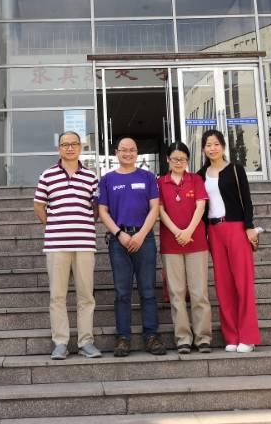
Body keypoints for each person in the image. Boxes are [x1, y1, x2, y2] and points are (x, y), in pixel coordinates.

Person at [33, 131, 102, 360]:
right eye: (65, 144)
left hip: (84, 244)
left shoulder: (91, 177)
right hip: (56, 245)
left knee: (86, 297)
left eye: (74, 144)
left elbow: (96, 208)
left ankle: (86, 342)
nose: (70, 148)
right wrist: (54, 225)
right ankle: (60, 343)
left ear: (80, 147)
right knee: (57, 297)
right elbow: (39, 206)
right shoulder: (47, 175)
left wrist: (82, 224)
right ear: (59, 148)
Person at [97, 136, 166, 357]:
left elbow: (154, 208)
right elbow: (102, 211)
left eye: (132, 150)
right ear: (116, 152)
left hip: (145, 239)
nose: (128, 153)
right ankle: (123, 338)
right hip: (119, 241)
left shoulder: (148, 177)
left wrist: (141, 235)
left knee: (148, 291)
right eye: (124, 150)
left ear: (137, 153)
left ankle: (151, 337)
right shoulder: (107, 179)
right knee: (122, 292)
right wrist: (120, 234)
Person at [197, 128, 261, 353]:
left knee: (242, 283)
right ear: (203, 149)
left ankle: (248, 337)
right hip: (214, 231)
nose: (212, 148)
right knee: (223, 285)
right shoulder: (200, 174)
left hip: (236, 228)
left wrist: (249, 227)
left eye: (216, 144)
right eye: (208, 145)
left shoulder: (235, 169)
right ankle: (232, 336)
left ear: (223, 146)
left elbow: (247, 200)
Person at [157, 141, 212, 354]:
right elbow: (160, 211)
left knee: (199, 292)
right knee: (176, 293)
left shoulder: (196, 179)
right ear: (167, 160)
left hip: (196, 242)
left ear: (187, 160)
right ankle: (183, 338)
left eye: (183, 159)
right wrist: (177, 232)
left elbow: (201, 207)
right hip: (171, 244)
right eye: (175, 159)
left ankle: (203, 337)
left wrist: (188, 231)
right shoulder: (160, 182)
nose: (179, 162)